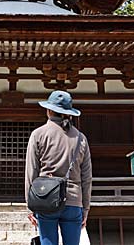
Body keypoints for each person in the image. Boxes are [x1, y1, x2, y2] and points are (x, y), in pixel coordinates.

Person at [25, 90, 92, 245]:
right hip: (74, 201)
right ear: (69, 113)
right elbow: (87, 177)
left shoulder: (38, 134)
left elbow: (31, 172)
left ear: (49, 110)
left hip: (46, 199)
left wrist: (30, 206)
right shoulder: (81, 139)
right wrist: (86, 208)